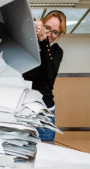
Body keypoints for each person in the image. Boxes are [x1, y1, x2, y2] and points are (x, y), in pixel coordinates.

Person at [23, 10, 67, 141]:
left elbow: (49, 76)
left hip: (44, 111)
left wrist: (43, 41)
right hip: (22, 110)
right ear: (41, 23)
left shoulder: (56, 51)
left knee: (45, 154)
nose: (49, 34)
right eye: (47, 27)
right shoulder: (26, 44)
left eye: (55, 32)